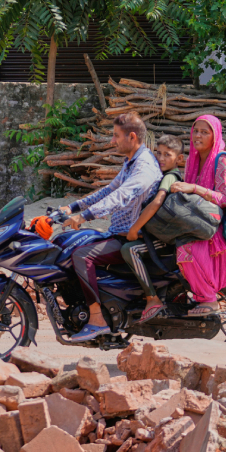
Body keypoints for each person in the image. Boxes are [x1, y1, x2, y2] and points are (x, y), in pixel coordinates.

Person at [58, 112, 161, 342]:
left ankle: (97, 320)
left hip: (132, 238)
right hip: (118, 232)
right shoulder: (131, 162)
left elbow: (121, 197)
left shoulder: (144, 167)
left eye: (116, 136)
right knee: (78, 242)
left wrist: (85, 216)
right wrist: (72, 207)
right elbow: (109, 190)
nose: (112, 141)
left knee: (82, 256)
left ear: (131, 137)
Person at [169, 115, 226, 316]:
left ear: (215, 136)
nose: (197, 135)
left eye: (204, 132)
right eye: (196, 130)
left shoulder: (222, 160)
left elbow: (224, 199)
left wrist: (194, 188)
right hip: (200, 222)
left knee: (186, 248)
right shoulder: (192, 159)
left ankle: (209, 299)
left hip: (220, 230)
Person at [121, 134, 185, 321]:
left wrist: (134, 229)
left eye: (168, 155)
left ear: (179, 159)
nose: (161, 158)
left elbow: (157, 203)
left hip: (165, 241)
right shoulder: (161, 175)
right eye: (159, 153)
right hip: (157, 235)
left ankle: (151, 298)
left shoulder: (170, 177)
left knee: (129, 250)